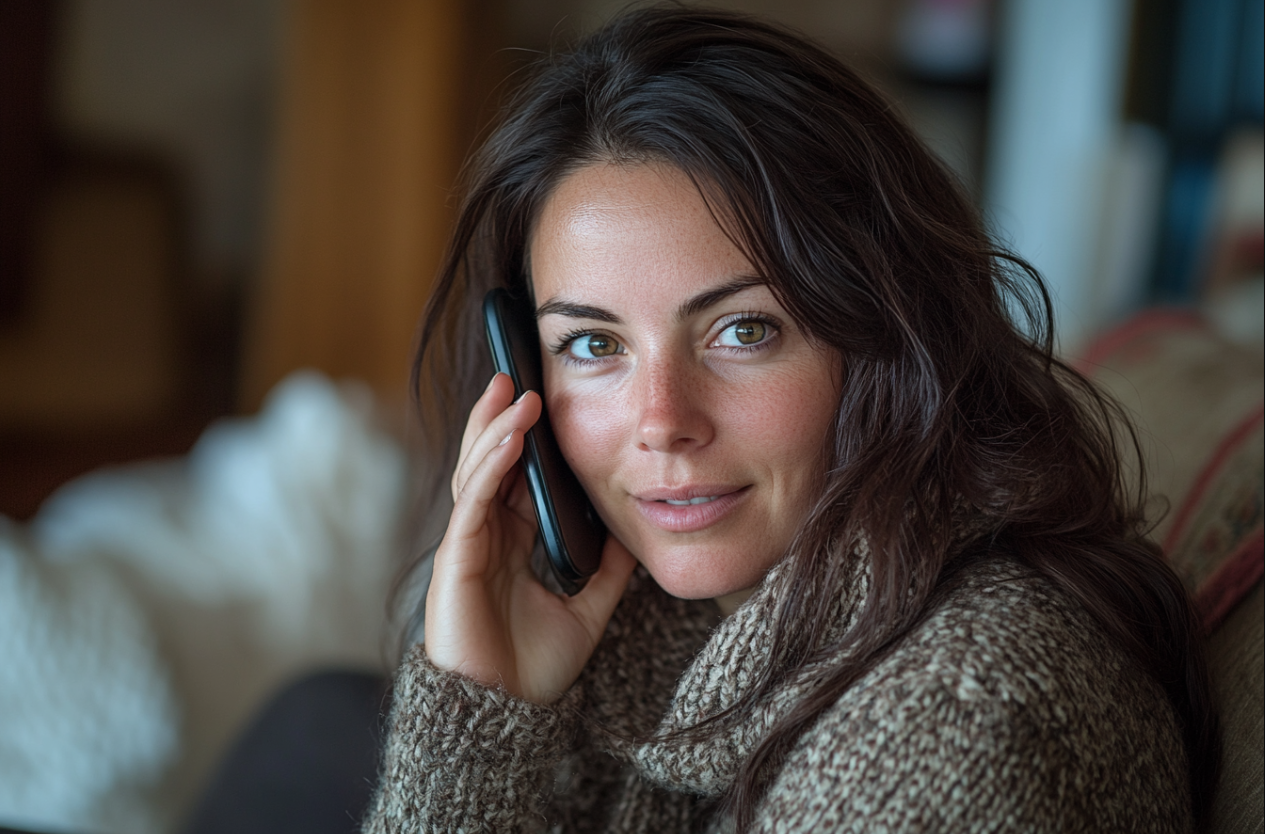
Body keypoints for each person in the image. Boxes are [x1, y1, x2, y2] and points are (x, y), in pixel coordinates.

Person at [364, 6, 1219, 832]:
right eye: (591, 343)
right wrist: (481, 710)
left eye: (744, 331)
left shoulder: (947, 738)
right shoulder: (663, 638)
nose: (661, 423)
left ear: (889, 335)